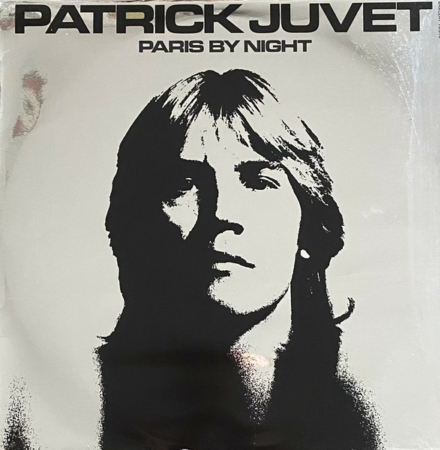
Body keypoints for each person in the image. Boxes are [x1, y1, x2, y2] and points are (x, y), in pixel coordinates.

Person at [98, 69, 381, 450]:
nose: (222, 214)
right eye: (184, 185)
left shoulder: (372, 410)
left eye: (259, 182)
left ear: (310, 222)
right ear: (137, 221)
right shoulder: (68, 410)